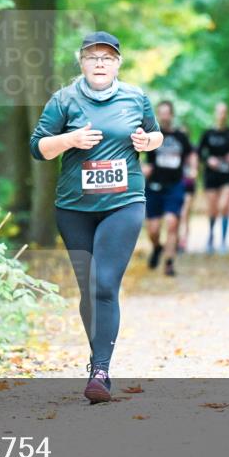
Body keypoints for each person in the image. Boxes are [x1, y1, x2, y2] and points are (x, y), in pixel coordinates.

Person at [29, 31, 163, 402]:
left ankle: (100, 371)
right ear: (82, 62)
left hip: (124, 203)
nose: (100, 63)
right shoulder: (63, 100)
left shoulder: (135, 97)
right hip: (74, 208)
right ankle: (97, 358)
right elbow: (38, 148)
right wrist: (70, 140)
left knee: (105, 284)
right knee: (88, 289)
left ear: (118, 63)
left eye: (107, 57)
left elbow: (156, 135)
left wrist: (148, 143)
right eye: (93, 57)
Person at [142, 100, 196, 276]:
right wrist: (142, 168)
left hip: (174, 186)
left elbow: (191, 153)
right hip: (154, 187)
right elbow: (135, 153)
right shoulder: (151, 135)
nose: (165, 116)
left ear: (172, 115)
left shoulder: (180, 136)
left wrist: (193, 169)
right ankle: (157, 247)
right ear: (158, 115)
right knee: (153, 230)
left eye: (167, 113)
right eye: (161, 113)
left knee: (172, 224)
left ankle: (169, 263)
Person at [197, 103, 229, 253]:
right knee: (213, 208)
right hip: (211, 176)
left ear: (227, 114)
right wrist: (208, 159)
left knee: (224, 205)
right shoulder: (208, 133)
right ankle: (211, 235)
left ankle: (223, 241)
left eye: (224, 112)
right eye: (219, 112)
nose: (222, 115)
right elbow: (199, 153)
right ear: (215, 114)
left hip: (228, 175)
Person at [178, 125, 196, 253]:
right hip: (175, 185)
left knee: (184, 215)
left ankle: (183, 241)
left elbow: (195, 170)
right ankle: (177, 240)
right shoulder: (174, 149)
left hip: (188, 185)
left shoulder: (192, 151)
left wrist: (192, 172)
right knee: (176, 216)